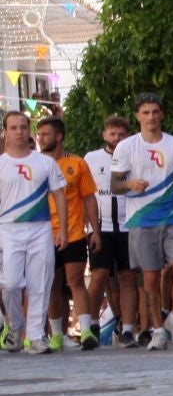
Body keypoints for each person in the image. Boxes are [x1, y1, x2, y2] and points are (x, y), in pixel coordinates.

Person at [110, 93, 173, 351]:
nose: (151, 117)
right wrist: (130, 184)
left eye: (155, 111)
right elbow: (114, 185)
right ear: (137, 116)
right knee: (151, 278)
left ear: (162, 114)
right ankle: (157, 329)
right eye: (145, 112)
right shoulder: (126, 147)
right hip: (142, 219)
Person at [0, 110, 67, 355]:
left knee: (41, 283)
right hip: (8, 229)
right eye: (14, 128)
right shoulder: (1, 165)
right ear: (5, 133)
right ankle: (16, 326)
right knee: (10, 283)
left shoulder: (45, 163)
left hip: (41, 229)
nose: (19, 132)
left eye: (23, 127)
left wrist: (64, 230)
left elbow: (59, 195)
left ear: (29, 131)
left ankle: (36, 336)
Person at [32, 116, 98, 350]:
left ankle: (87, 330)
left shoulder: (78, 164)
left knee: (76, 280)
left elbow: (89, 198)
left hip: (74, 233)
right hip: (43, 235)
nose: (40, 139)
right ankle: (57, 335)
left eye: (45, 134)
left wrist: (95, 231)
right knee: (51, 284)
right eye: (38, 135)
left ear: (59, 136)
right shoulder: (35, 165)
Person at [85, 115, 138, 346]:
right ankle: (92, 325)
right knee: (98, 276)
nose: (116, 138)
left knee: (128, 276)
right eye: (112, 133)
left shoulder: (135, 157)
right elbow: (87, 195)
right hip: (102, 226)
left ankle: (127, 329)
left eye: (121, 134)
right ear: (104, 134)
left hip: (129, 225)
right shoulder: (91, 158)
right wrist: (92, 228)